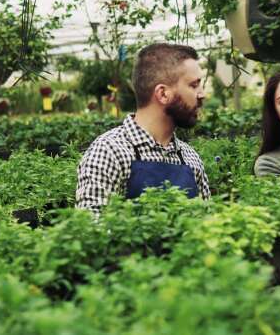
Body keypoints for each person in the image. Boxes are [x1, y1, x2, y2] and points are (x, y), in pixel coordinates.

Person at [76, 43, 210, 215]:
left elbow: (207, 228)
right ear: (162, 94)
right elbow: (91, 230)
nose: (202, 94)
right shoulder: (109, 152)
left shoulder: (190, 159)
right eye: (194, 85)